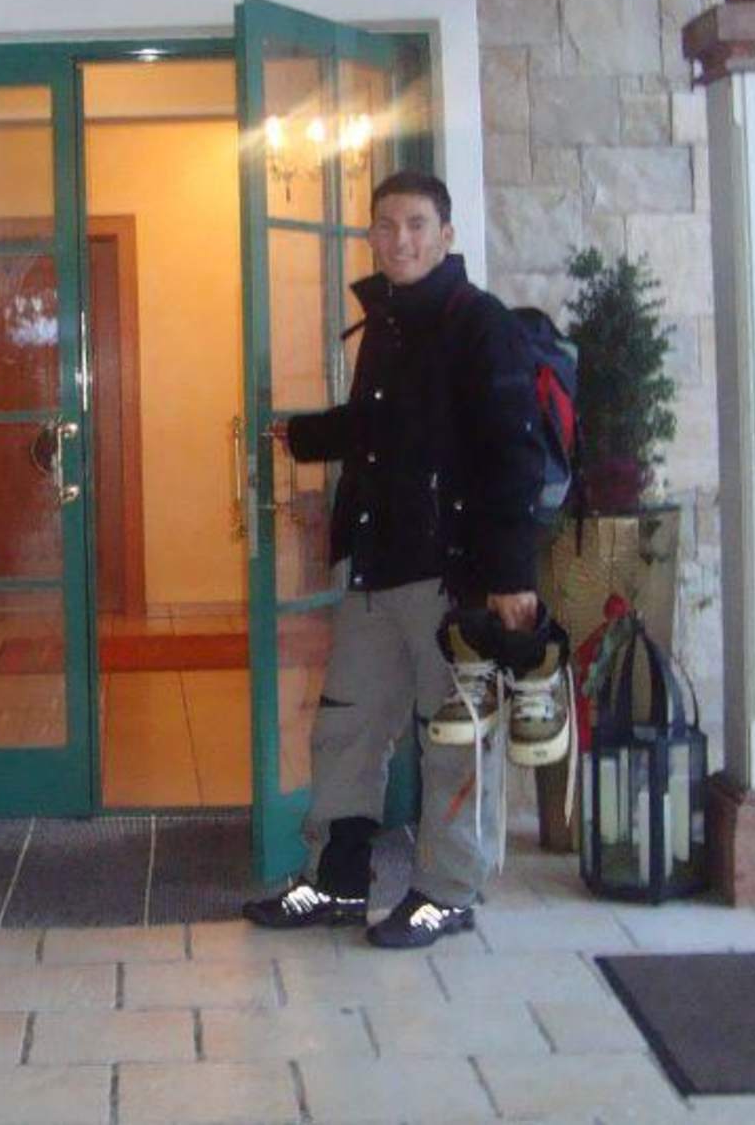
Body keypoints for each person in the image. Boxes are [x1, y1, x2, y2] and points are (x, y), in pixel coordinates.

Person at [239, 171, 570, 949]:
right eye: (386, 226)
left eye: (417, 225)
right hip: (375, 568)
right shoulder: (388, 324)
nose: (401, 240)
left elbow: (514, 455)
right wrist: (304, 436)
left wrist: (510, 579)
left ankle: (448, 892)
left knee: (453, 737)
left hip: (450, 577)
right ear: (371, 237)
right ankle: (337, 879)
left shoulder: (480, 324)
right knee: (347, 729)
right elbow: (380, 427)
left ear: (446, 234)